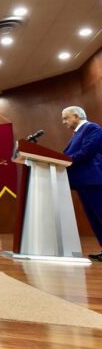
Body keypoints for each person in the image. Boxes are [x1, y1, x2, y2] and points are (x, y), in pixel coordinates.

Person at [61, 106, 102, 261]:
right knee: (94, 218)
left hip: (94, 180)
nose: (64, 122)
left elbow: (87, 151)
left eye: (66, 118)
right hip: (83, 182)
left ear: (76, 116)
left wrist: (65, 160)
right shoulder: (77, 133)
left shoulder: (91, 128)